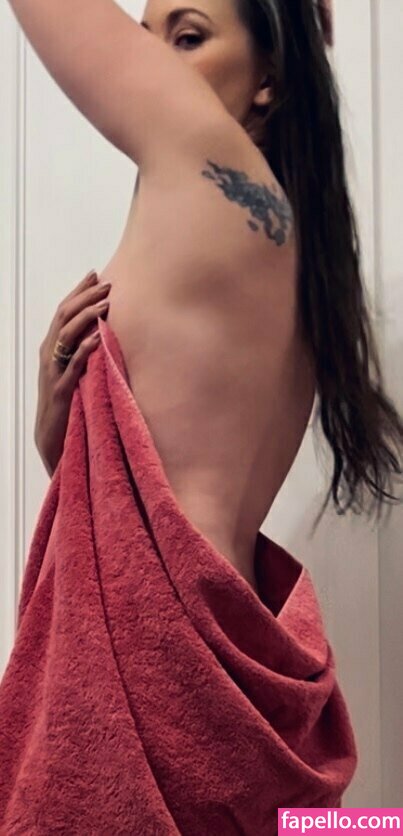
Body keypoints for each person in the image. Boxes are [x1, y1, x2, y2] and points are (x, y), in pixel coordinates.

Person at [29, 0, 403, 596]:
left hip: (167, 616)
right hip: (210, 615)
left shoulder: (222, 173)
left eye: (188, 38)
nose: (149, 61)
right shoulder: (293, 256)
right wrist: (60, 440)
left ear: (268, 76)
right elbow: (170, 490)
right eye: (142, 37)